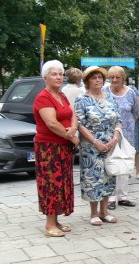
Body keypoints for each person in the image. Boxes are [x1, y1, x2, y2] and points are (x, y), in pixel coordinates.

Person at [34, 60, 80, 237]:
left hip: (63, 147)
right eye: (54, 74)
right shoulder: (43, 97)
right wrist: (72, 137)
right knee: (51, 184)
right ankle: (49, 225)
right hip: (49, 148)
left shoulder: (61, 95)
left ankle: (56, 220)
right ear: (45, 77)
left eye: (60, 74)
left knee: (62, 184)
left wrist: (74, 127)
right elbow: (52, 124)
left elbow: (72, 113)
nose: (58, 77)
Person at [75, 66, 122, 226]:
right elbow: (80, 124)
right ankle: (94, 213)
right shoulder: (82, 99)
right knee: (93, 178)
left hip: (110, 144)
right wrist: (95, 142)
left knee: (109, 176)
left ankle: (105, 211)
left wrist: (115, 139)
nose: (98, 80)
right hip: (91, 146)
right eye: (94, 77)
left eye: (100, 77)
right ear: (87, 81)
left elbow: (118, 120)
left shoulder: (110, 98)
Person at [104, 66, 139, 210]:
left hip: (127, 134)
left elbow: (136, 111)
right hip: (109, 134)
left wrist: (129, 126)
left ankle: (123, 196)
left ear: (123, 78)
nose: (114, 80)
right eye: (111, 77)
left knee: (125, 164)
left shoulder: (130, 93)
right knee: (111, 164)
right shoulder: (104, 92)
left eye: (117, 77)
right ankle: (110, 197)